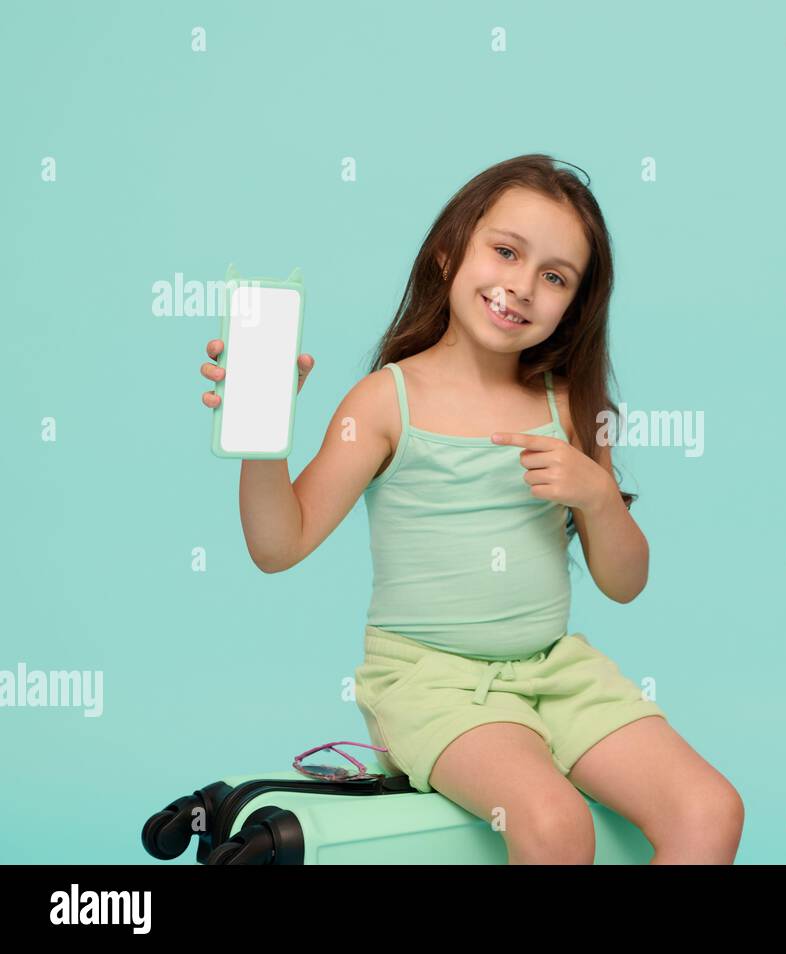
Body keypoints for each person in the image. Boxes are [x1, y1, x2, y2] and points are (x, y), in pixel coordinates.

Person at [199, 154, 743, 864]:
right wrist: (262, 435)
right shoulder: (386, 401)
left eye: (554, 277)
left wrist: (599, 498)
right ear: (449, 251)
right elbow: (279, 545)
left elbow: (625, 582)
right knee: (553, 824)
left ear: (574, 305)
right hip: (429, 682)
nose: (521, 286)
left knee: (710, 809)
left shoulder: (570, 407)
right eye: (506, 251)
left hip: (555, 672)